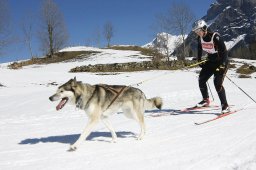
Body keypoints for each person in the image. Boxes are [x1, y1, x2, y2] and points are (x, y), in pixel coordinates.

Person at [192, 19, 230, 113]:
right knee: (201, 79)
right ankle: (206, 100)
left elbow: (225, 52)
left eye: (198, 30)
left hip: (221, 62)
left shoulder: (215, 36)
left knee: (217, 83)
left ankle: (225, 105)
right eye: (196, 31)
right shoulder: (199, 38)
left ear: (204, 28)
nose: (197, 33)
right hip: (211, 62)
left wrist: (223, 64)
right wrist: (199, 59)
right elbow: (200, 48)